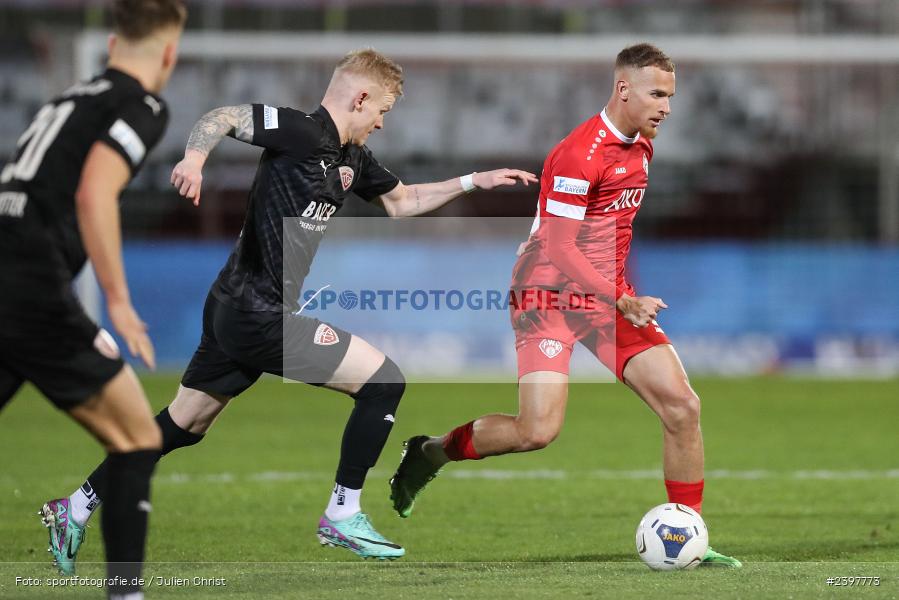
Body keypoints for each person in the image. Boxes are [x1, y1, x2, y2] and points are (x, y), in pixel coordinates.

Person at [41, 48, 537, 565]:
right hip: (256, 312)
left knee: (182, 426)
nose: (382, 123)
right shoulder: (300, 131)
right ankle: (343, 512)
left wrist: (471, 181)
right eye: (382, 110)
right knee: (384, 382)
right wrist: (194, 159)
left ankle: (73, 507)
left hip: (234, 307)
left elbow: (402, 201)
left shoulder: (353, 158)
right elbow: (222, 117)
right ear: (360, 98)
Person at [389, 43, 741, 567]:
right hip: (546, 296)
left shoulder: (642, 144)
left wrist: (616, 294)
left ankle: (689, 536)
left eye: (671, 96)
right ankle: (429, 452)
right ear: (623, 90)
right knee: (536, 432)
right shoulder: (579, 154)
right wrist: (622, 298)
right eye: (657, 95)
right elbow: (558, 247)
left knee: (682, 406)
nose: (667, 107)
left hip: (603, 298)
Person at [0, 0, 186, 596]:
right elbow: (95, 192)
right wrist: (118, 302)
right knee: (137, 438)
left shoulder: (69, 99)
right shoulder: (142, 105)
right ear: (169, 53)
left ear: (111, 45)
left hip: (11, 270)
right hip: (30, 286)